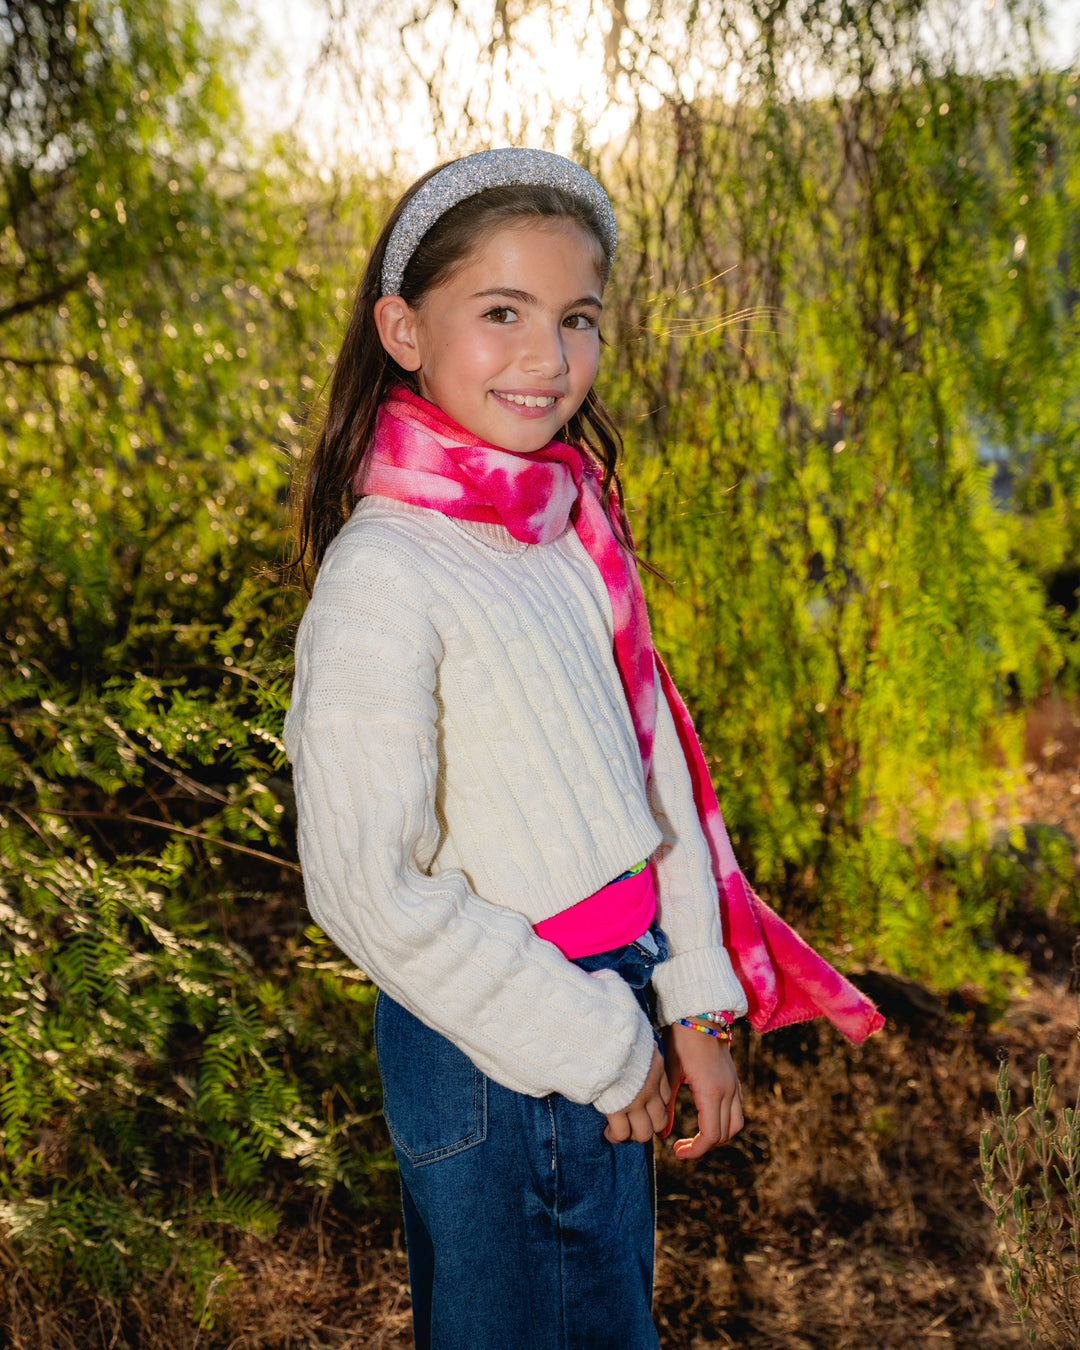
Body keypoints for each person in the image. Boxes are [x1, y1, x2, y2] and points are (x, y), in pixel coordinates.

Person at [284, 148, 882, 1350]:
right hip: (500, 1053)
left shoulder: (560, 528)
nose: (547, 357)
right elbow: (364, 888)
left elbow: (649, 771)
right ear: (402, 329)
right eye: (500, 313)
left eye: (576, 318)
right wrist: (606, 1046)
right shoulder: (386, 573)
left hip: (606, 1007)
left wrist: (696, 1008)